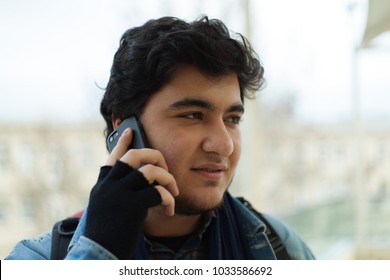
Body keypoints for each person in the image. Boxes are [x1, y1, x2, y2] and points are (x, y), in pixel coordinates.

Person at [5, 15, 314, 260]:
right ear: (125, 128)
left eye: (232, 119)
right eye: (193, 115)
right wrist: (99, 253)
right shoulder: (40, 260)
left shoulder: (283, 250)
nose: (225, 144)